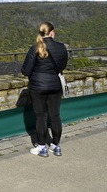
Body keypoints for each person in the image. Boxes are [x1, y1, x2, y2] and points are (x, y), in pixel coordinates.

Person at [21, 22, 68, 157]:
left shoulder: (35, 48)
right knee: (55, 116)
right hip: (55, 85)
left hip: (38, 87)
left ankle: (42, 147)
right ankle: (56, 146)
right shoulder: (61, 48)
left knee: (41, 117)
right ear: (52, 32)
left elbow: (25, 70)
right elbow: (62, 66)